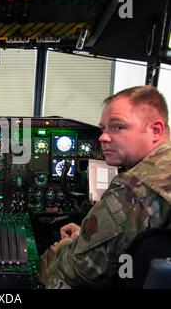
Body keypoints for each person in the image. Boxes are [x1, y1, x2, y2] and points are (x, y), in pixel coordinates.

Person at [39, 85, 171, 288]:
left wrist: (68, 247)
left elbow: (80, 270)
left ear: (155, 130)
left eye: (118, 127)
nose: (103, 137)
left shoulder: (135, 187)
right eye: (103, 128)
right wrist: (86, 236)